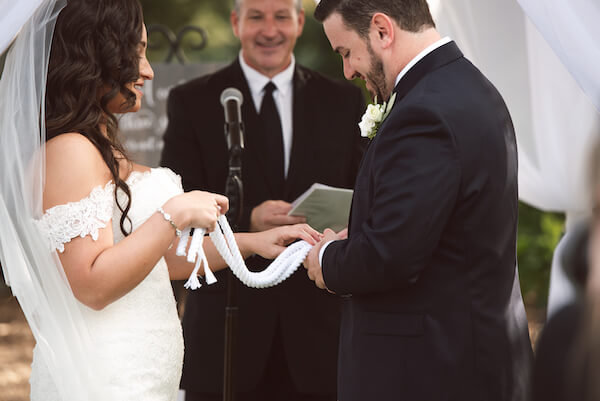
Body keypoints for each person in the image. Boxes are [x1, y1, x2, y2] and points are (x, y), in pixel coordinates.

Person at [0, 0, 321, 400]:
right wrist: (174, 212)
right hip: (105, 379)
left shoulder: (91, 146)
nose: (148, 70)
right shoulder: (68, 151)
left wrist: (251, 244)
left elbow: (151, 260)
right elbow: (92, 284)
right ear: (96, 57)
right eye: (136, 52)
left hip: (141, 374)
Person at [303, 0, 533, 400]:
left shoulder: (424, 112)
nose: (348, 70)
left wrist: (327, 259)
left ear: (381, 30)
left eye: (346, 52)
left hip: (432, 373)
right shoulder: (464, 87)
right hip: (463, 361)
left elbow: (390, 255)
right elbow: (430, 233)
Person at [160, 0, 366, 399]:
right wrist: (244, 220)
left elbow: (363, 196)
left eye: (280, 17)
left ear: (299, 23)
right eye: (256, 17)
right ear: (236, 23)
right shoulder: (193, 101)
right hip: (227, 330)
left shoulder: (344, 101)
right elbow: (175, 209)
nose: (269, 30)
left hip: (318, 333)